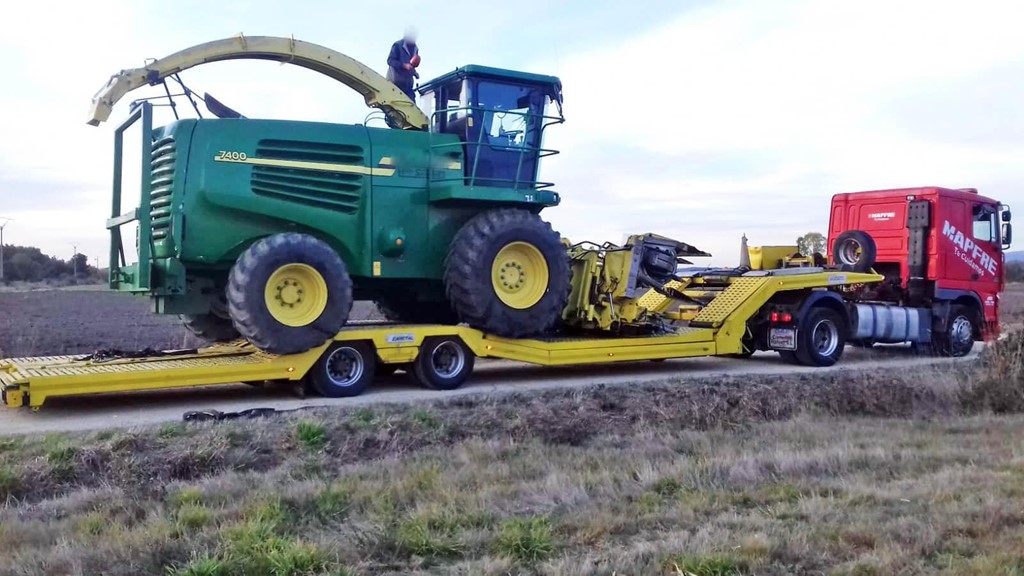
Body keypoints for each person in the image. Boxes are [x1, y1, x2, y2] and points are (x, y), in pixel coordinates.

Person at [386, 27, 420, 101]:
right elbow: (390, 60)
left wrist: (414, 73)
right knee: (395, 106)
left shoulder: (415, 48)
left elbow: (411, 65)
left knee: (411, 105)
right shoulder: (398, 45)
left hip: (407, 84)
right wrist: (403, 65)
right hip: (395, 83)